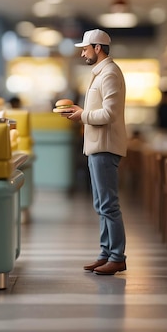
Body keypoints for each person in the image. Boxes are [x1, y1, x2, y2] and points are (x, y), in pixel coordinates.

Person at [65, 29, 128, 275]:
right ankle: (105, 253)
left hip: (105, 147)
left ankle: (117, 256)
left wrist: (83, 115)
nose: (82, 53)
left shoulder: (110, 74)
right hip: (96, 146)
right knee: (101, 204)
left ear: (97, 48)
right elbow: (99, 110)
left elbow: (110, 114)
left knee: (109, 205)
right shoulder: (101, 73)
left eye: (85, 48)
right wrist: (82, 111)